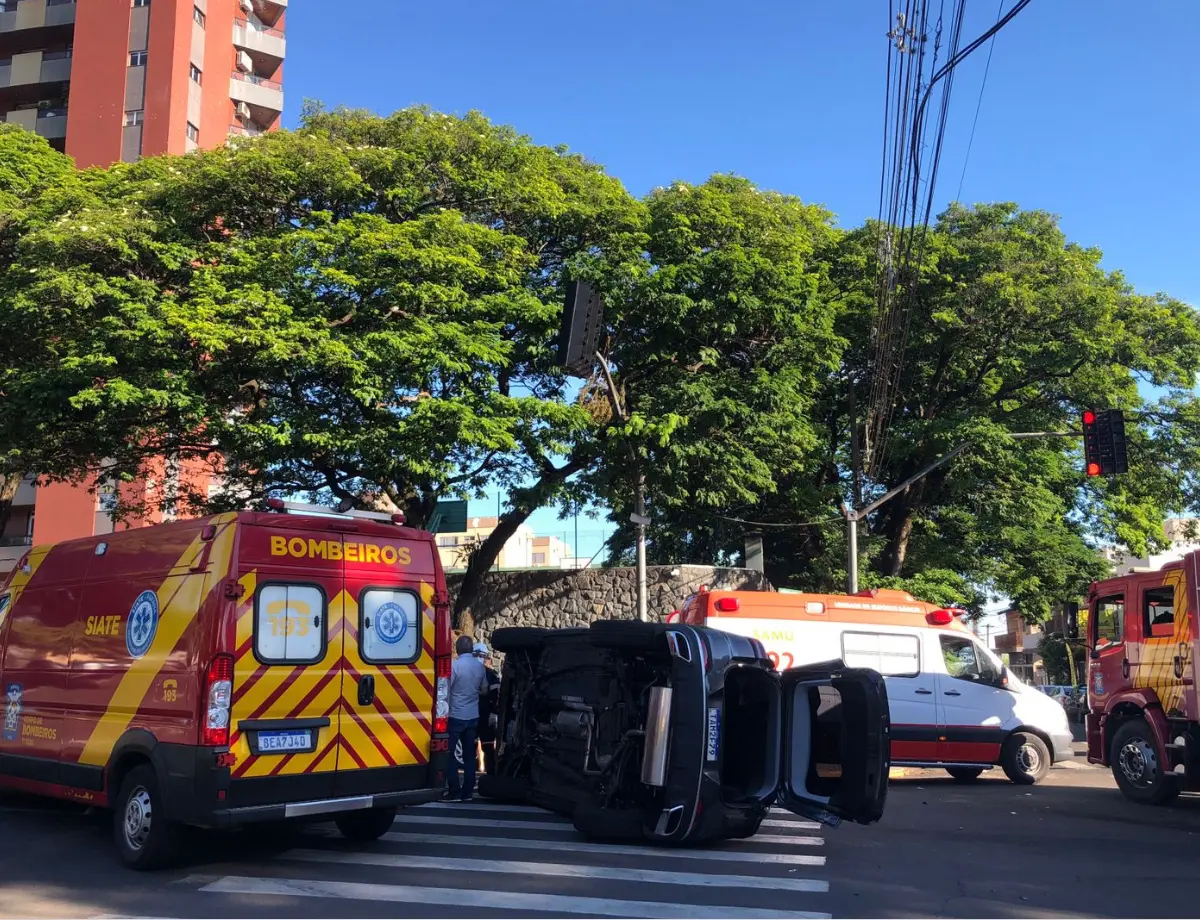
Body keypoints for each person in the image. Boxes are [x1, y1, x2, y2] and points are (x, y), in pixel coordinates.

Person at [443, 634, 489, 801]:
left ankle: (454, 790)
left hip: (456, 715)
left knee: (449, 753)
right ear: (471, 649)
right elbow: (484, 689)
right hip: (473, 715)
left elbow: (447, 688)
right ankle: (467, 792)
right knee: (469, 755)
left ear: (457, 649)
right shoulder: (480, 668)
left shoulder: (455, 666)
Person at [473, 642, 501, 775]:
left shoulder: (465, 672)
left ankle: (471, 777)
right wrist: (495, 713)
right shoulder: (491, 674)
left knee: (472, 746)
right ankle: (491, 774)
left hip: (472, 714)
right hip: (484, 714)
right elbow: (496, 696)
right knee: (487, 746)